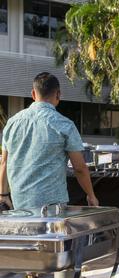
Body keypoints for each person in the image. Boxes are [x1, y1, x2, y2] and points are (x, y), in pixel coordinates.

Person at [0, 72, 98, 210]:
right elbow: (79, 168)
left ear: (33, 94)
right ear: (58, 95)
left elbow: (4, 161)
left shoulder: (12, 123)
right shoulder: (64, 124)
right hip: (52, 207)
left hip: (19, 203)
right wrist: (91, 195)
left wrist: (3, 195)